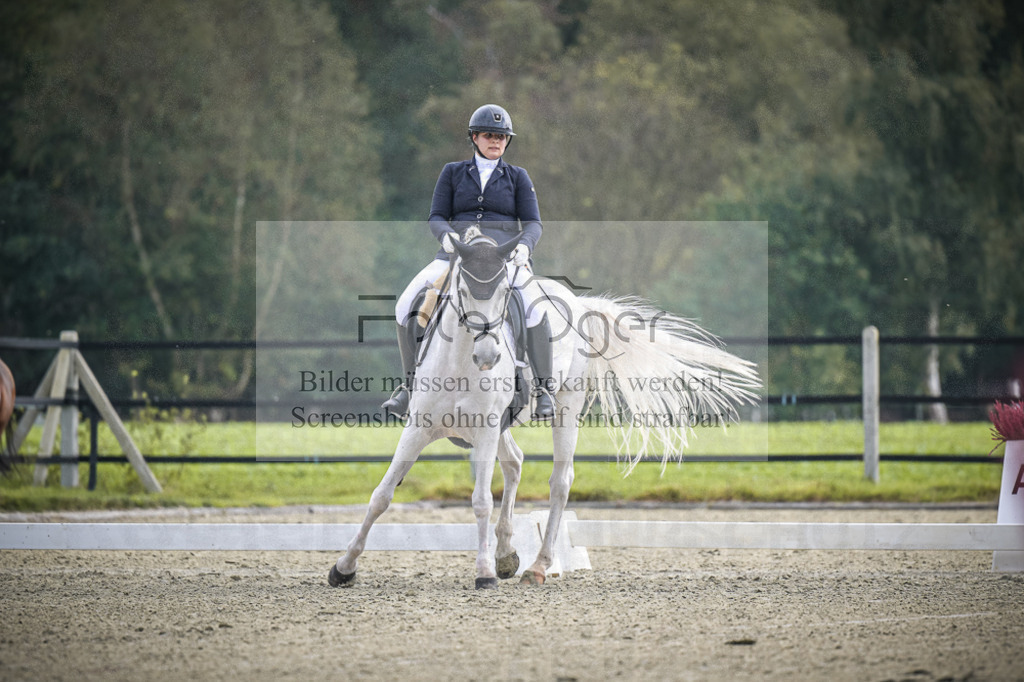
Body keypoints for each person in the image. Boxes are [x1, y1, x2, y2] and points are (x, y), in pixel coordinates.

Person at [383, 104, 555, 421]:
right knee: (405, 304)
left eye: (502, 137)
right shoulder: (453, 172)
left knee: (535, 307)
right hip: (457, 255)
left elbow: (533, 223)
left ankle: (544, 390)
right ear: (474, 137)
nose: (496, 141)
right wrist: (446, 236)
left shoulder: (518, 177)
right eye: (489, 135)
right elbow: (437, 216)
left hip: (503, 258)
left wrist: (525, 247)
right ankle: (409, 387)